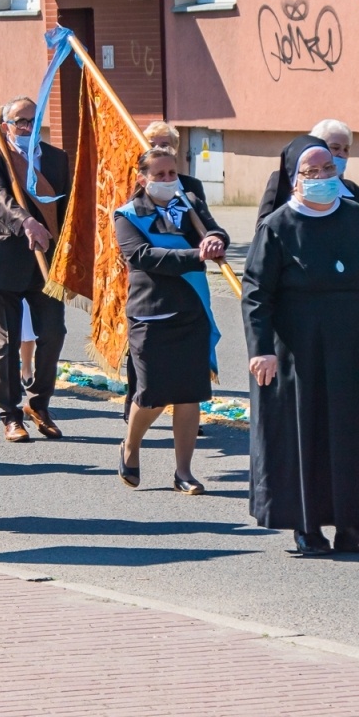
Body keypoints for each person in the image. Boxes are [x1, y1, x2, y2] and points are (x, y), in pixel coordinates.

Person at [243, 138, 359, 556]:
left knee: (356, 434)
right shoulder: (278, 226)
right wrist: (260, 349)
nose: (321, 179)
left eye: (327, 170)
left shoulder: (355, 217)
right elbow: (256, 294)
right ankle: (307, 525)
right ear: (293, 180)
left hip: (355, 347)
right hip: (301, 350)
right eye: (311, 172)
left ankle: (354, 524)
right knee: (308, 435)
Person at [114, 147, 229, 494]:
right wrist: (197, 254)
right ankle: (130, 446)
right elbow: (143, 256)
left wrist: (214, 239)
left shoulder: (188, 206)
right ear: (142, 179)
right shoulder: (128, 215)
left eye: (171, 173)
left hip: (191, 309)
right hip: (151, 313)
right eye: (159, 175)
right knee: (153, 395)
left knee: (189, 394)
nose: (167, 180)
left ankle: (184, 471)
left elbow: (216, 232)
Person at [0, 96, 71, 442]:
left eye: (34, 120)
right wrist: (26, 222)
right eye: (20, 122)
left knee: (53, 332)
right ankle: (10, 414)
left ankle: (39, 403)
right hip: (4, 260)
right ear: (5, 126)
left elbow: (68, 208)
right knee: (8, 341)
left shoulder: (58, 159)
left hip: (46, 260)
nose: (28, 127)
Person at [254, 122, 359, 225]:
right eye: (335, 148)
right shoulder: (283, 180)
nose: (341, 154)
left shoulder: (353, 191)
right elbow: (264, 226)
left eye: (346, 149)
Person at [141, 120, 207, 204]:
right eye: (152, 145)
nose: (157, 149)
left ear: (175, 149)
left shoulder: (192, 185)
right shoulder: (139, 184)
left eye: (164, 145)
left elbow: (203, 216)